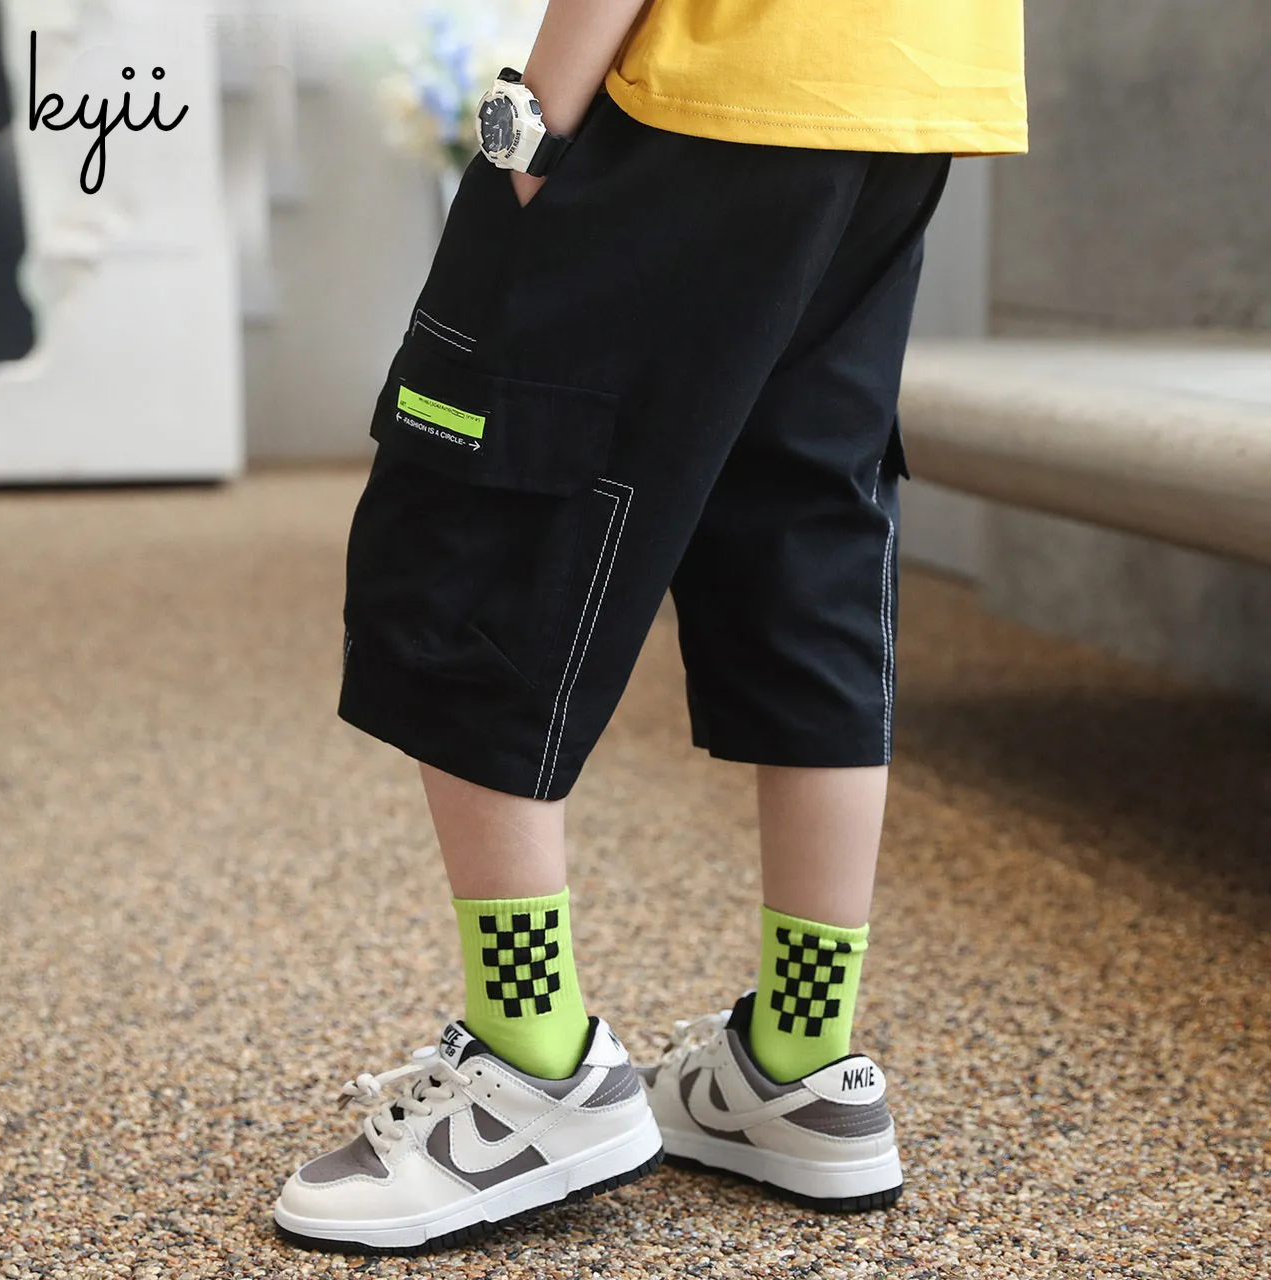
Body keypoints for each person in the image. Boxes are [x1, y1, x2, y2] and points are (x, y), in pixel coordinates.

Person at [274, 0, 1027, 1253]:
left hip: (698, 91)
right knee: (803, 533)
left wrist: (532, 122)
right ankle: (796, 1063)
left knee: (480, 520)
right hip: (902, 89)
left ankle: (531, 1064)